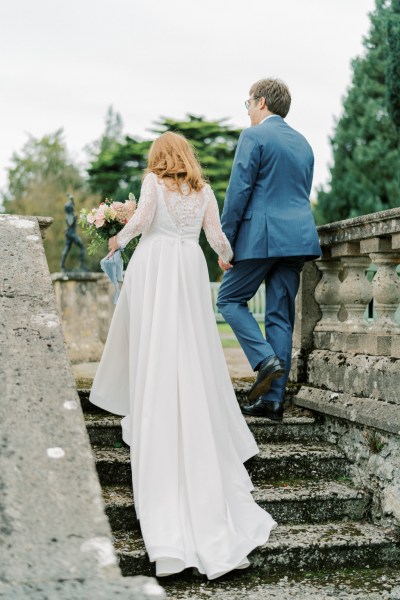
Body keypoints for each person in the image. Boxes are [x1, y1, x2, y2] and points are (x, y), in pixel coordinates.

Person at [89, 132, 277, 580]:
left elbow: (144, 219)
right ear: (187, 156)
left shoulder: (153, 183)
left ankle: (153, 396)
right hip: (188, 265)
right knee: (189, 341)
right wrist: (227, 258)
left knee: (155, 337)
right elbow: (217, 239)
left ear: (159, 157)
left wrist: (118, 240)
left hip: (156, 263)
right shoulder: (205, 190)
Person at [217, 78, 321, 422]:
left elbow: (238, 192)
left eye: (247, 103)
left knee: (229, 300)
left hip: (261, 238)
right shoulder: (304, 143)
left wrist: (225, 242)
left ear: (262, 102)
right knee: (280, 315)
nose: (247, 110)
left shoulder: (254, 135)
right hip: (298, 240)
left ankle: (264, 360)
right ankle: (272, 402)